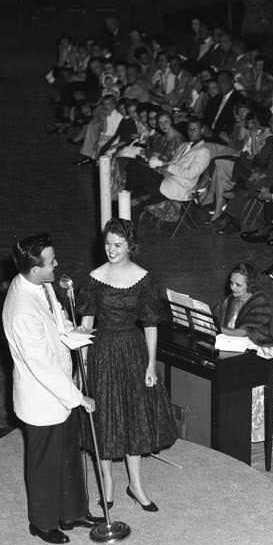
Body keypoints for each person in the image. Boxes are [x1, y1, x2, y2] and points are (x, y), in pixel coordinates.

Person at [2, 233, 99, 544]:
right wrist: (77, 396)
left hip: (60, 390)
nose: (57, 264)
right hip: (42, 397)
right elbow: (41, 365)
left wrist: (76, 333)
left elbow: (58, 323)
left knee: (68, 452)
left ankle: (72, 511)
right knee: (45, 461)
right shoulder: (20, 311)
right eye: (51, 261)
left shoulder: (43, 285)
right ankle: (42, 522)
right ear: (34, 270)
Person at [76, 219, 179, 512]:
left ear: (130, 246)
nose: (111, 249)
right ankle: (106, 483)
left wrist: (150, 365)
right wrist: (81, 366)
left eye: (117, 245)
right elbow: (86, 325)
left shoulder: (144, 278)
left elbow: (150, 326)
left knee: (133, 415)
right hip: (102, 352)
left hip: (132, 351)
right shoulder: (95, 278)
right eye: (108, 244)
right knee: (105, 415)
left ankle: (135, 484)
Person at [213, 263, 273, 443]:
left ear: (250, 285)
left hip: (255, 348)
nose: (233, 288)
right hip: (230, 344)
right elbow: (216, 315)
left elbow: (246, 331)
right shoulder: (229, 300)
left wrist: (221, 330)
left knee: (261, 385)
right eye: (231, 283)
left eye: (238, 285)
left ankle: (250, 428)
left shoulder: (259, 301)